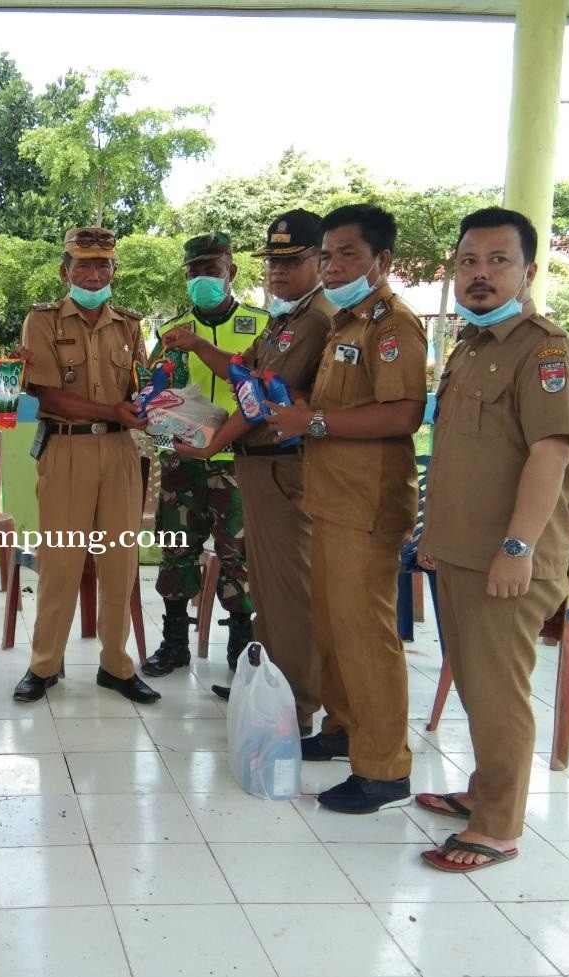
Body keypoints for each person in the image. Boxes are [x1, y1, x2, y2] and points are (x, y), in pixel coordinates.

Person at [416, 208, 569, 871]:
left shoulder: (547, 353)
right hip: (461, 553)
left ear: (529, 270)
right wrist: (436, 538)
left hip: (508, 558)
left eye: (498, 261)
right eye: (469, 261)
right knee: (476, 686)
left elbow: (550, 454)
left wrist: (516, 549)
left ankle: (497, 827)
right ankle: (483, 791)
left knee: (498, 693)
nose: (480, 274)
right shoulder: (472, 346)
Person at [268, 203, 427, 814]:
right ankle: (342, 728)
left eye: (348, 255)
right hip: (331, 498)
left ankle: (384, 769)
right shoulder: (345, 324)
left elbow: (403, 413)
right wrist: (302, 407)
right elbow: (338, 406)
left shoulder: (392, 327)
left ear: (380, 260)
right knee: (334, 627)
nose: (333, 266)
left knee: (365, 636)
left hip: (367, 504)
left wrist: (310, 421)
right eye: (328, 255)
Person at [165, 211, 333, 732]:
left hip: (274, 465)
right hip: (244, 464)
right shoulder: (285, 320)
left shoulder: (312, 320)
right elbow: (244, 374)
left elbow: (257, 397)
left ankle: (291, 704)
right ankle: (271, 691)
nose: (278, 271)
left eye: (292, 261)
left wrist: (214, 443)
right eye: (274, 261)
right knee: (266, 587)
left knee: (280, 589)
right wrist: (197, 346)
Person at [13, 226, 160, 705]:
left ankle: (116, 665)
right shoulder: (42, 321)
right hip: (67, 449)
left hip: (120, 451)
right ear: (66, 271)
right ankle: (44, 665)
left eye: (103, 265)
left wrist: (156, 399)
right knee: (61, 562)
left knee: (120, 561)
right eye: (84, 265)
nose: (94, 274)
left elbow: (139, 388)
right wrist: (113, 409)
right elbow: (47, 394)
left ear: (113, 270)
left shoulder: (129, 325)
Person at [143, 233, 267, 678]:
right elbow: (152, 394)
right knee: (177, 548)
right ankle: (174, 642)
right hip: (183, 459)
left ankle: (240, 643)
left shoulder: (262, 324)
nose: (202, 279)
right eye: (194, 272)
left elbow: (261, 385)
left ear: (231, 271)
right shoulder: (171, 332)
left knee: (238, 554)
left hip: (239, 459)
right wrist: (160, 433)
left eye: (211, 270)